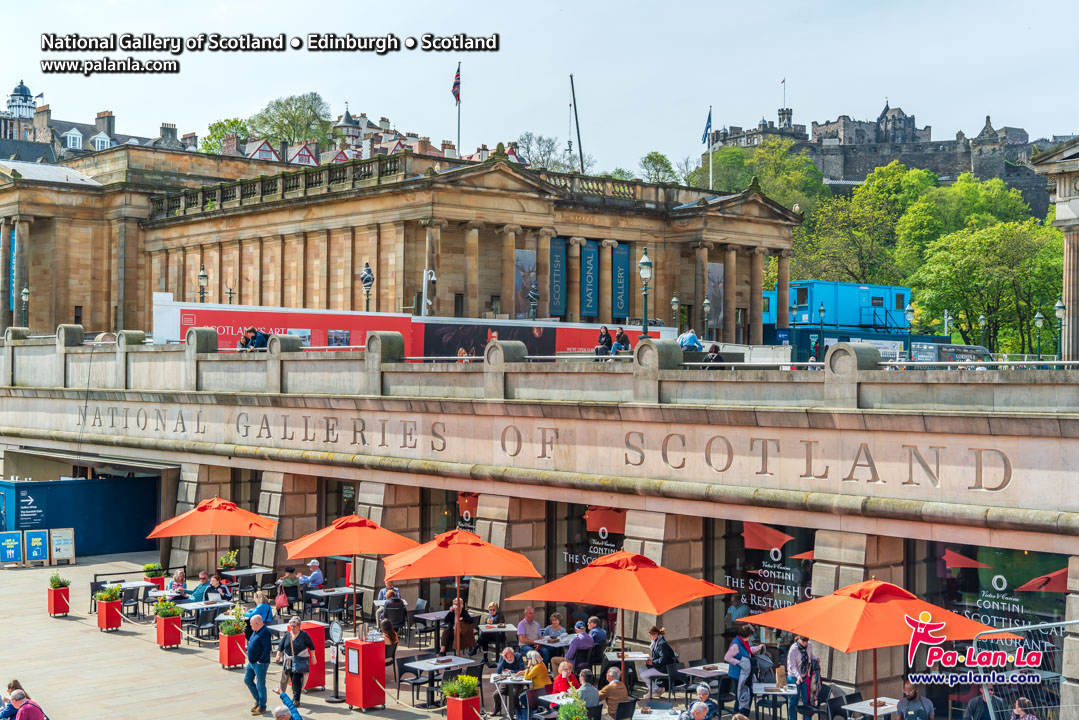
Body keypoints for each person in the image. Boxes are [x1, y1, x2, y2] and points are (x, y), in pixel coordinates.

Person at [274, 615, 315, 706]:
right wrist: (278, 655)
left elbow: (311, 646)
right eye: (291, 625)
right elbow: (281, 646)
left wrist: (313, 657)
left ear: (299, 626)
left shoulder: (304, 635)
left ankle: (296, 699)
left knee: (296, 679)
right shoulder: (287, 635)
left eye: (294, 626)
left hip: (300, 660)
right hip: (289, 661)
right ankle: (295, 694)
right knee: (292, 679)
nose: (292, 627)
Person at [725, 623, 764, 715]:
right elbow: (727, 657)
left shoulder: (743, 642)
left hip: (745, 673)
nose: (750, 637)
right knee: (740, 696)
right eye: (750, 635)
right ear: (747, 635)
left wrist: (758, 647)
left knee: (745, 694)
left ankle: (742, 714)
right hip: (737, 674)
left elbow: (748, 650)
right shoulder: (736, 645)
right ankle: (737, 715)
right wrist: (739, 662)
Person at [244, 614, 272, 715]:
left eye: (251, 624)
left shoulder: (265, 632)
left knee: (260, 685)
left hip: (260, 663)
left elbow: (267, 648)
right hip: (252, 662)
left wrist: (260, 660)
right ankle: (258, 700)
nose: (250, 626)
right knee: (247, 680)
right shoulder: (256, 631)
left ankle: (262, 706)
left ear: (257, 623)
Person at [640, 625, 678, 698]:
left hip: (665, 669)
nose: (649, 637)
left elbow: (663, 659)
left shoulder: (662, 644)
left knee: (643, 675)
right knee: (641, 669)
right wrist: (651, 660)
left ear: (655, 634)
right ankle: (653, 690)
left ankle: (657, 689)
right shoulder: (656, 642)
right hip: (660, 666)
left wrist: (653, 662)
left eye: (650, 635)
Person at [786, 635, 817, 720]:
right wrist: (798, 676)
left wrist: (815, 659)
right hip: (793, 677)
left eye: (807, 640)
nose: (805, 643)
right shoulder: (793, 649)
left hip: (804, 676)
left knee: (806, 700)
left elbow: (810, 655)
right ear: (799, 639)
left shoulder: (809, 645)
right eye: (803, 641)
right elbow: (792, 665)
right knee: (793, 702)